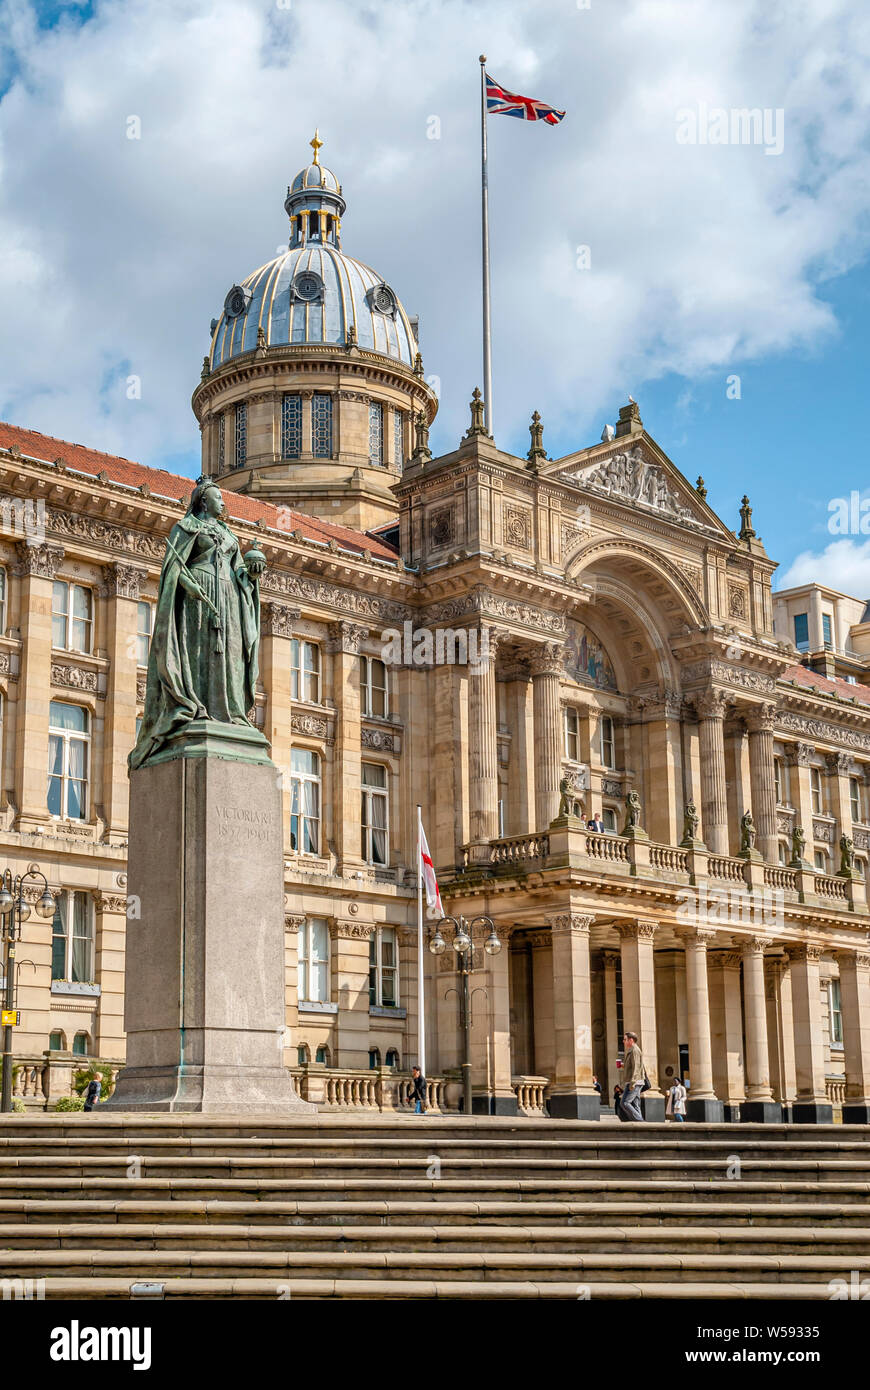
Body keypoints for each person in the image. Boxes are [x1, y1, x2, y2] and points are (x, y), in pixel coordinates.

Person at [619, 1030, 646, 1121]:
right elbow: (633, 1066)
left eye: (625, 1039)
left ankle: (640, 1122)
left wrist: (632, 1083)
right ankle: (640, 1126)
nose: (623, 1041)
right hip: (635, 1081)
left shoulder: (634, 1050)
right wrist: (623, 1065)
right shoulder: (632, 1050)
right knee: (635, 1105)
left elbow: (637, 1067)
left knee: (625, 1103)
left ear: (631, 1040)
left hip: (634, 1082)